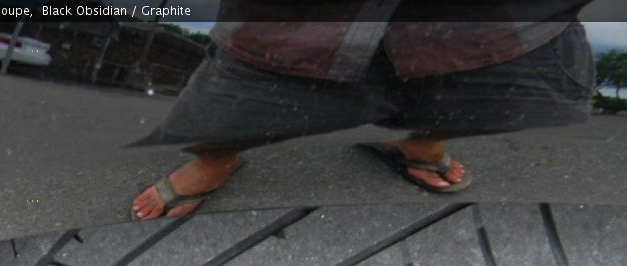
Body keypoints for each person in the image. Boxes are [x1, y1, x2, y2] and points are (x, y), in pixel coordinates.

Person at [131, 0, 595, 220]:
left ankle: (415, 138)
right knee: (226, 108)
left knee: (475, 94)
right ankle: (216, 159)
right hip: (284, 26)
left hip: (502, 21)